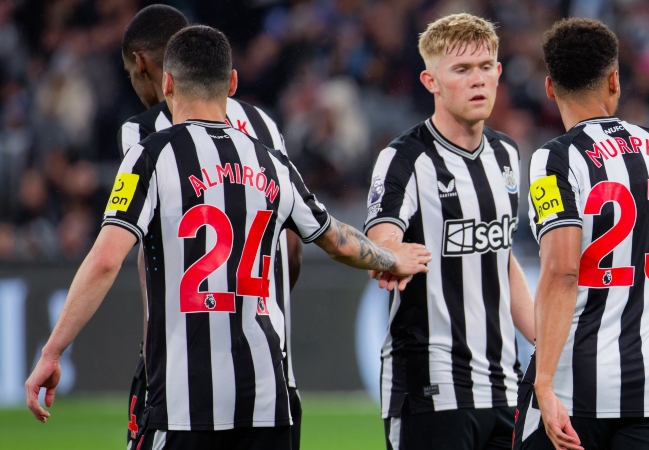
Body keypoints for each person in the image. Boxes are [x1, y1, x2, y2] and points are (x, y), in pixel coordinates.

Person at [23, 25, 431, 450]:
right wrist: (388, 257)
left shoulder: (150, 155)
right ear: (232, 84)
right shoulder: (273, 163)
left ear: (167, 83)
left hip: (184, 402)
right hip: (268, 403)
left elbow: (107, 259)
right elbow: (335, 238)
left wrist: (53, 351)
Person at [116, 5, 305, 446]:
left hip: (182, 382)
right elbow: (292, 245)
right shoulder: (264, 127)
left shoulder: (143, 134)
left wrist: (151, 352)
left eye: (130, 72)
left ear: (146, 67)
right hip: (271, 373)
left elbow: (146, 254)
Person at [515, 17, 649, 450]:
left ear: (550, 88)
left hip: (571, 393)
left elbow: (563, 272)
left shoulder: (555, 160)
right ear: (614, 80)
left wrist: (543, 384)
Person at [363, 13, 536, 450]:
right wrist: (387, 253)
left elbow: (502, 257)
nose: (477, 80)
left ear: (499, 72)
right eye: (461, 70)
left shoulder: (506, 154)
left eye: (485, 67)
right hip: (431, 387)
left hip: (504, 387)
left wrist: (547, 340)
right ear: (431, 81)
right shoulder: (405, 158)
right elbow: (382, 238)